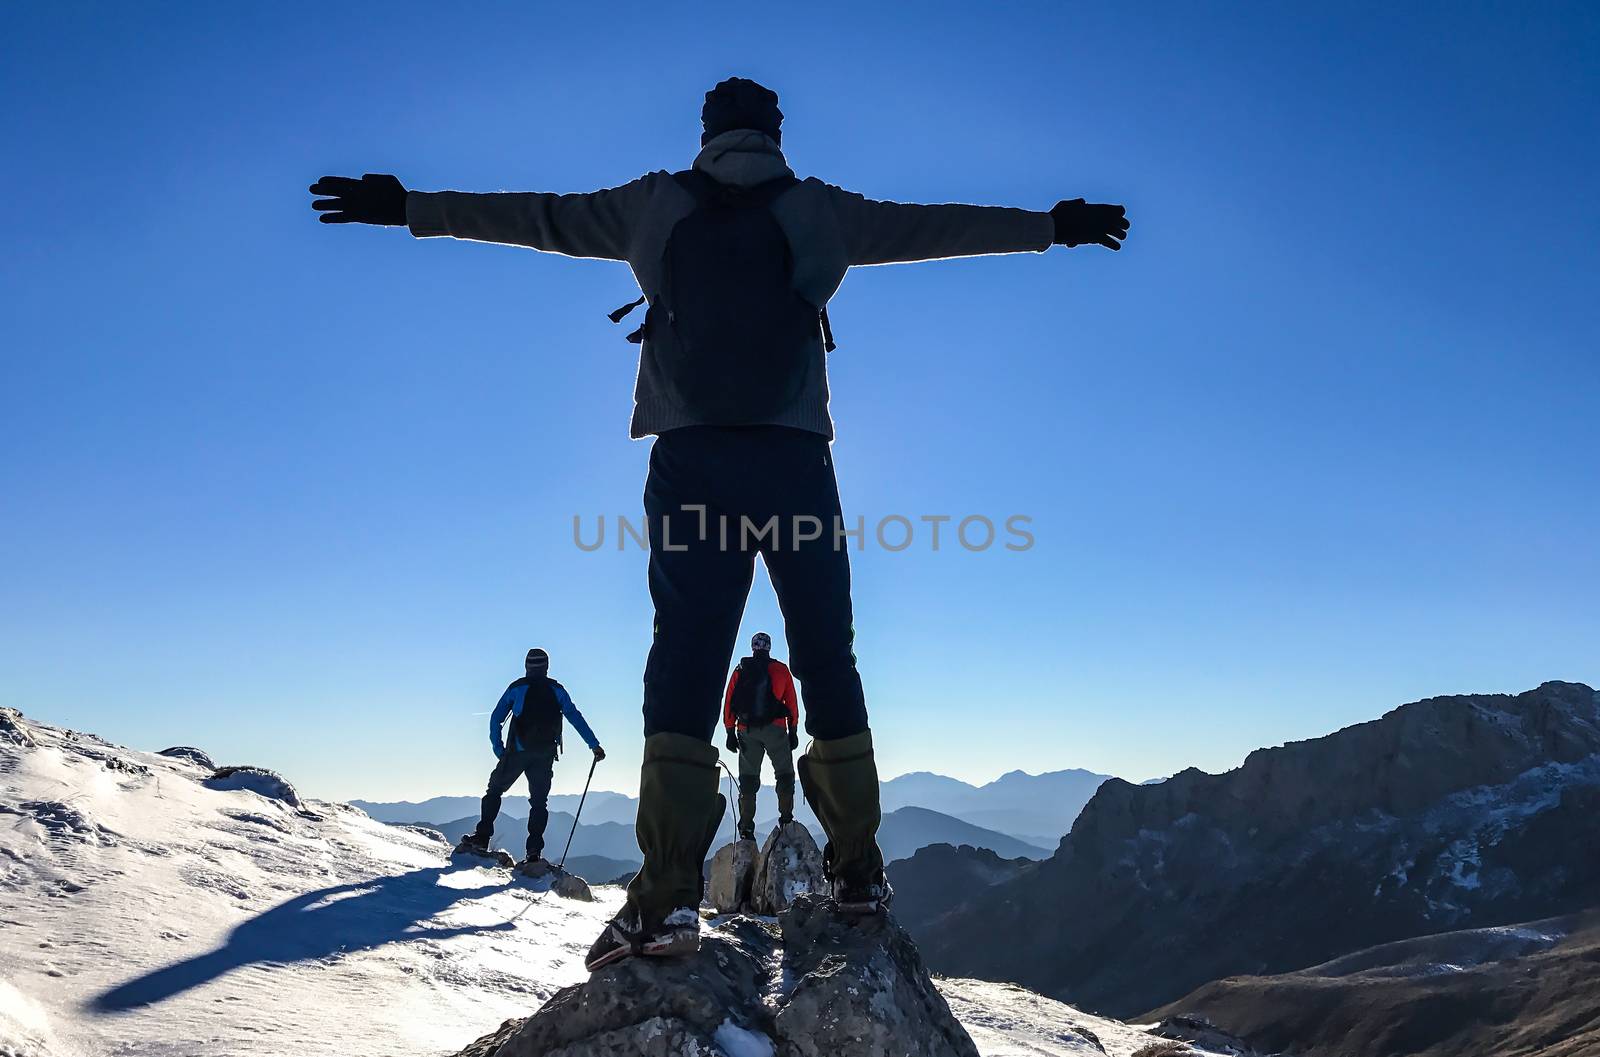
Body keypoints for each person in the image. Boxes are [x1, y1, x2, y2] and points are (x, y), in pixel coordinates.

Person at [309, 76, 1128, 971]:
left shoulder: (652, 205)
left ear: (705, 132)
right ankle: (856, 873)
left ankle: (663, 899)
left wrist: (410, 207)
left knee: (688, 655)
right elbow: (937, 227)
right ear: (777, 134)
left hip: (692, 461)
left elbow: (535, 215)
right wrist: (1052, 226)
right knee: (826, 651)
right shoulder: (821, 210)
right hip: (794, 464)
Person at [458, 648, 605, 875]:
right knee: (539, 803)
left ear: (526, 666)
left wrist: (500, 749)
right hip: (544, 755)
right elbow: (575, 717)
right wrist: (594, 745)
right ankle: (533, 853)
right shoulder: (557, 690)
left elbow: (496, 718)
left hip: (517, 752)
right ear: (547, 667)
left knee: (495, 789)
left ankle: (482, 837)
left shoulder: (517, 688)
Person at [723, 631, 800, 840]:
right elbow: (791, 703)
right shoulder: (781, 670)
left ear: (753, 647)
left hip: (746, 730)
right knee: (784, 774)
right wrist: (793, 730)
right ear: (769, 647)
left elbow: (729, 701)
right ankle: (786, 819)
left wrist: (730, 731)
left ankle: (746, 828)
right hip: (775, 729)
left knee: (748, 779)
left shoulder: (741, 670)